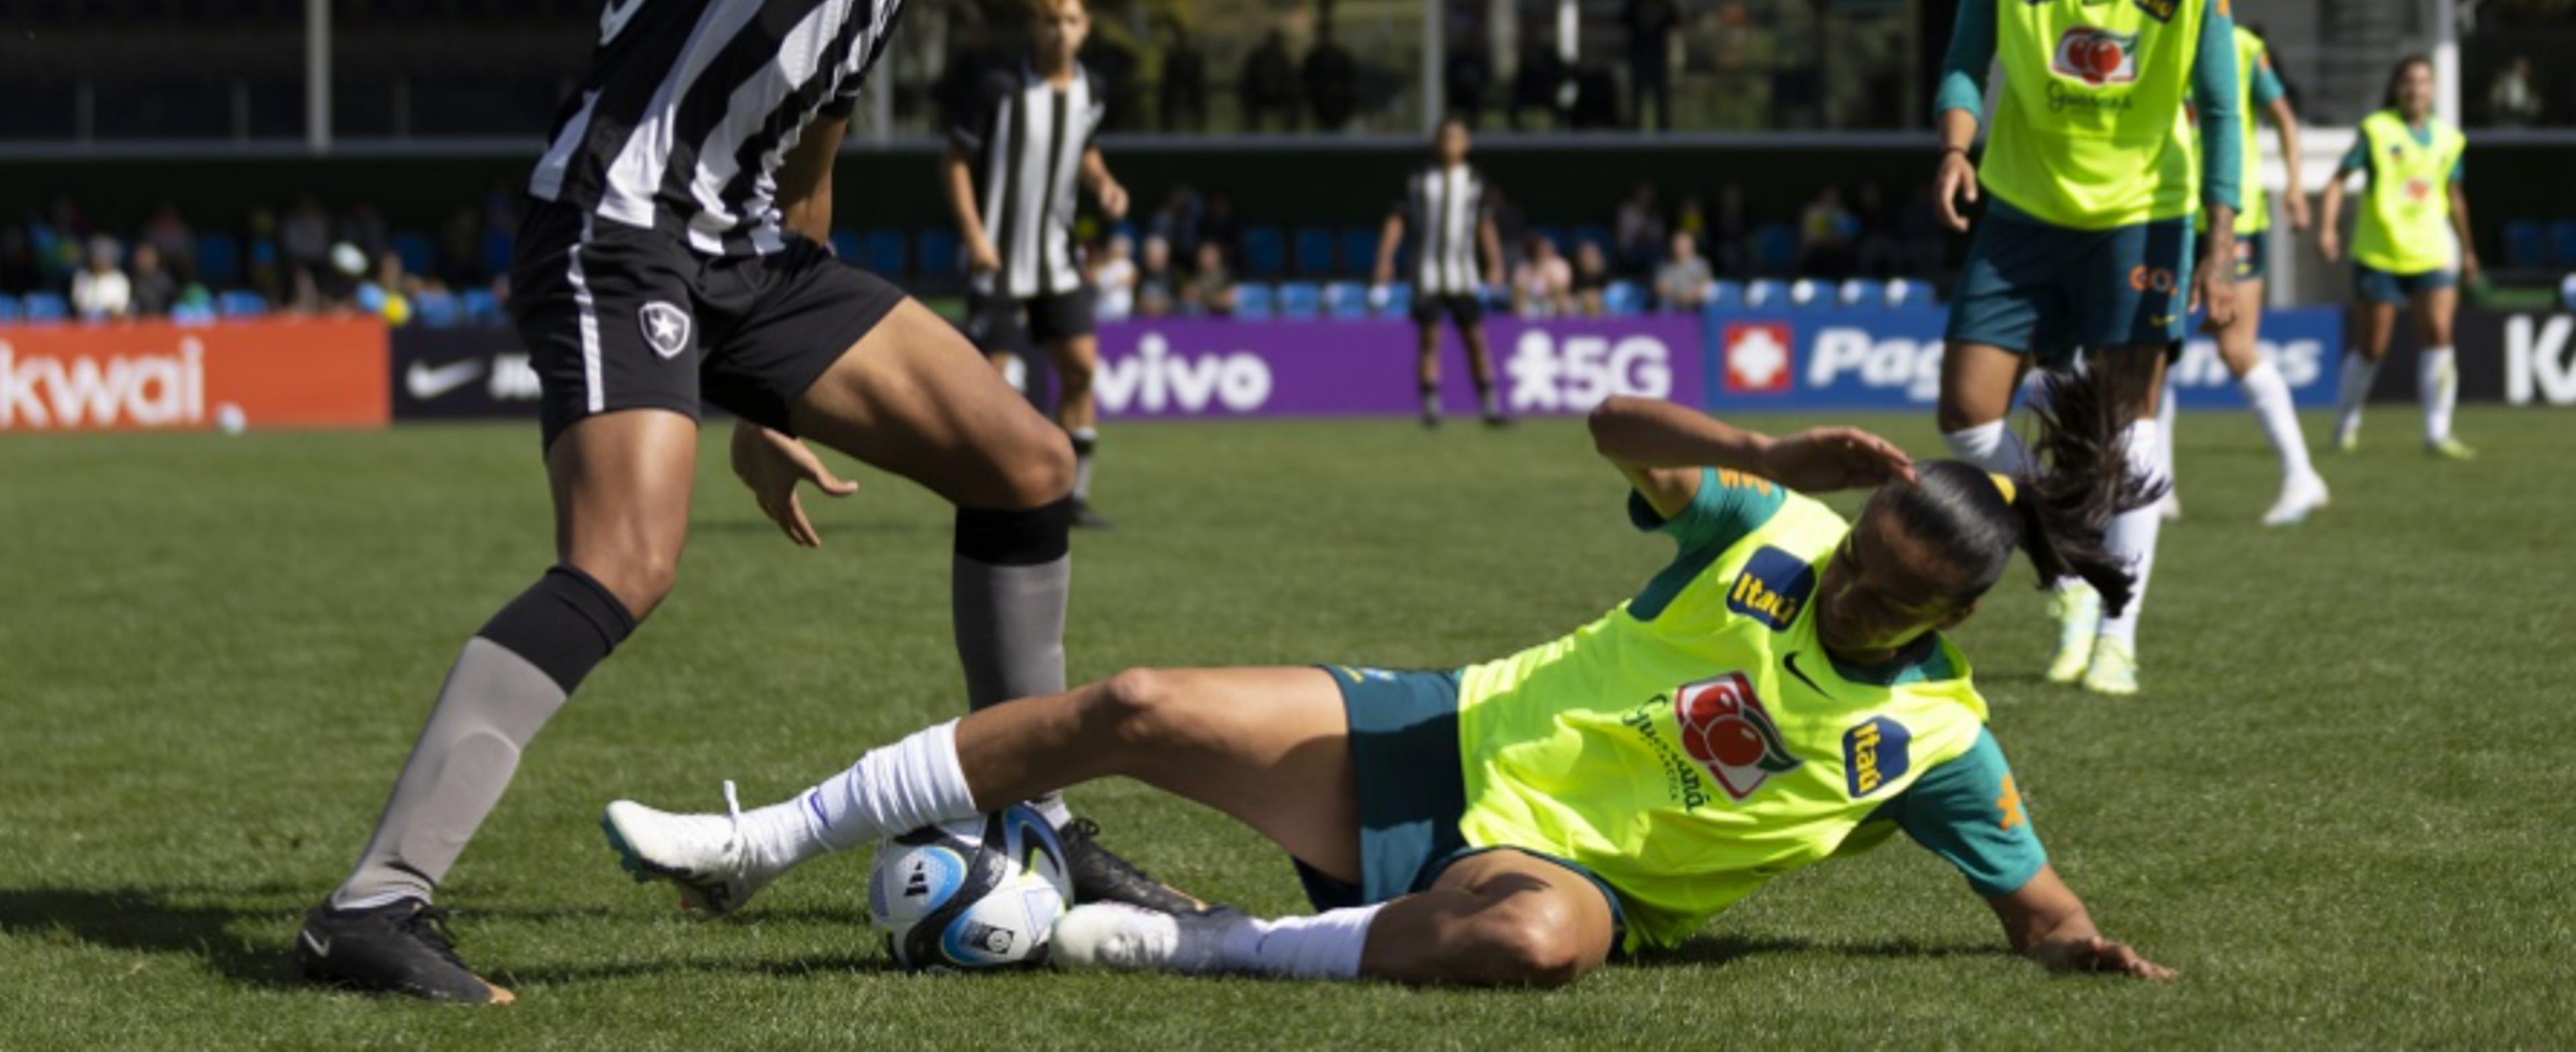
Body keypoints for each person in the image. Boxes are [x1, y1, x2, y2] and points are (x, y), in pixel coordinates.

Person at [293, 0, 1306, 1004]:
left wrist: (772, 401)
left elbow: (806, 171)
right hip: (617, 230)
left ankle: (1040, 822)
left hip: (752, 261)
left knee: (1028, 461)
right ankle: (372, 904)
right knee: (623, 565)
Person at [603, 367, 2173, 989]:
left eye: (1891, 592)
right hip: (1430, 731)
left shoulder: (1937, 739)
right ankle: (754, 843)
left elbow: (2034, 905)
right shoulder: (1768, 531)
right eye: (1858, 551)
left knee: (1548, 942)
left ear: (1947, 611)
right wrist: (1754, 449)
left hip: (1536, 863)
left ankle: (1193, 942)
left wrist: (2091, 948)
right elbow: (1612, 430)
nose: (1853, 580)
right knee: (1136, 701)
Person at [1930, 0, 2242, 700]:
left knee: (2125, 426)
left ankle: (2119, 631)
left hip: (2139, 216)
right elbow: (1962, 56)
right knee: (1966, 413)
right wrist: (1956, 149)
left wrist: (2220, 251)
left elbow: (2224, 114)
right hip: (2022, 205)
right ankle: (2065, 567)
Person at [946, 0, 1129, 532]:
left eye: (1070, 21)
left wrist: (1103, 183)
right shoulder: (1000, 89)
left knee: (1081, 371)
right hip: (1000, 259)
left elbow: (1083, 148)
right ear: (1034, 25)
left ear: (1087, 27)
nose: (1060, 32)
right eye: (1050, 21)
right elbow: (954, 161)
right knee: (998, 387)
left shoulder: (1091, 91)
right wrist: (975, 234)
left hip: (1057, 261)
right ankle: (997, 495)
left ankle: (1072, 496)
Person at [2179, 23, 2329, 526]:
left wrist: (2294, 189)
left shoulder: (2240, 44)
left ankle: (2301, 475)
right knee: (2149, 351)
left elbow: (2285, 119)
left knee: (2235, 346)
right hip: (2167, 210)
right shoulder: (2154, 30)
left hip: (2232, 214)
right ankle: (2156, 491)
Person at [2319, 55, 2478, 460]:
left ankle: (2438, 433)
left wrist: (2469, 249)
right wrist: (2327, 228)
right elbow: (2337, 181)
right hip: (2380, 251)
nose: (2416, 89)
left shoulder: (2448, 139)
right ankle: (2345, 425)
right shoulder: (2377, 130)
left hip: (2432, 251)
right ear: (2397, 87)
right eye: (2408, 81)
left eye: (2424, 82)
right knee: (2373, 345)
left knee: (2440, 334)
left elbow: (2455, 198)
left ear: (2434, 89)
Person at [1373, 118, 1508, 428]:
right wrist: (1385, 257)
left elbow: (1484, 224)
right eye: (1445, 138)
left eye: (1457, 138)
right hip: (1428, 273)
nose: (1450, 144)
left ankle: (1490, 406)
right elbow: (1397, 220)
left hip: (1463, 274)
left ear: (1467, 143)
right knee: (1430, 339)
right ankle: (1432, 407)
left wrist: (1496, 262)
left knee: (1476, 338)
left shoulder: (1475, 179)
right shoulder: (1419, 178)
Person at [1622, 0, 1681, 130]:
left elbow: (1676, 20)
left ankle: (1664, 129)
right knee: (1637, 94)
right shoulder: (1635, 1)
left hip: (1659, 54)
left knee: (1661, 94)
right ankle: (1635, 128)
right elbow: (1625, 19)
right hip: (1639, 53)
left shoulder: (1665, 2)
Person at [1304, 14, 1359, 131]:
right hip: (1321, 97)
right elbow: (1307, 78)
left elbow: (1350, 76)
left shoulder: (1341, 55)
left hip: (1338, 97)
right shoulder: (1314, 57)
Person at [1242, 29, 1299, 132]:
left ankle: (1254, 130)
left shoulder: (1259, 55)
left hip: (1261, 96)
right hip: (1271, 96)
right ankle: (1291, 134)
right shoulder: (1282, 56)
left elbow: (1248, 78)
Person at [1155, 21, 1206, 133]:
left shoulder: (1193, 57)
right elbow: (1168, 77)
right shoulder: (1172, 57)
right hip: (1175, 92)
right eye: (1179, 39)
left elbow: (1197, 77)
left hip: (1191, 92)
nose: (1181, 42)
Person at [69, 235, 131, 320]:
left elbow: (120, 308)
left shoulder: (119, 279)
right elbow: (79, 304)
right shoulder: (83, 276)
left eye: (105, 257)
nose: (101, 262)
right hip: (86, 324)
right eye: (98, 257)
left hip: (112, 325)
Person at [1512, 235, 1573, 318]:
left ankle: (1563, 327)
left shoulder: (1560, 264)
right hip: (1531, 304)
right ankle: (1519, 327)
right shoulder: (1524, 267)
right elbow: (1518, 288)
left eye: (1545, 248)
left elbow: (1562, 288)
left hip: (1552, 303)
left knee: (1562, 299)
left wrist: (1547, 272)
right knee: (1519, 295)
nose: (1543, 251)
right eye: (1540, 248)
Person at [1653, 229, 1714, 309]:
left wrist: (1691, 295)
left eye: (1683, 244)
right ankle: (1666, 322)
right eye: (1677, 244)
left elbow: (1707, 285)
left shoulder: (1701, 264)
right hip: (1674, 301)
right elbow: (1660, 287)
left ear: (1691, 245)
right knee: (1664, 303)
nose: (1679, 247)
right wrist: (1678, 295)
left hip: (1695, 300)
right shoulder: (1665, 266)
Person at [1091, 234, 1138, 323]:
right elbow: (1093, 280)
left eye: (1120, 247)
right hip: (1102, 307)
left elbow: (1130, 280)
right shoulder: (1102, 265)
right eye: (1115, 247)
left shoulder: (1128, 265)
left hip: (1120, 308)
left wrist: (1110, 280)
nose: (1116, 250)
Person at [1186, 241, 1239, 316]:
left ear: (1219, 257)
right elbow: (1189, 297)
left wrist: (1203, 297)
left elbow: (1228, 301)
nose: (1207, 259)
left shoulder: (1229, 276)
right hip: (1202, 320)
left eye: (1211, 255)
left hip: (1225, 320)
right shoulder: (1194, 277)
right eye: (1204, 255)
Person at [2486, 55, 2541, 127]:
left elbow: (2535, 108)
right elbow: (2494, 102)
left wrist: (2529, 107)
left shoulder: (2532, 86)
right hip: (2504, 125)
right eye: (2519, 66)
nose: (2522, 69)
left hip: (2525, 125)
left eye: (2525, 66)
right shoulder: (2502, 82)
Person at [1134, 235, 1178, 319]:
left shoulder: (1175, 274)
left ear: (1166, 256)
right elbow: (1135, 297)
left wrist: (1163, 305)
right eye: (1150, 255)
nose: (1154, 259)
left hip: (1169, 317)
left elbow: (1179, 297)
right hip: (1143, 317)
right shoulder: (1139, 273)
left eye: (1157, 255)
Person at [1569, 239, 1612, 317]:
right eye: (1585, 256)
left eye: (1593, 255)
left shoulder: (1616, 291)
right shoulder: (1570, 284)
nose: (1589, 259)